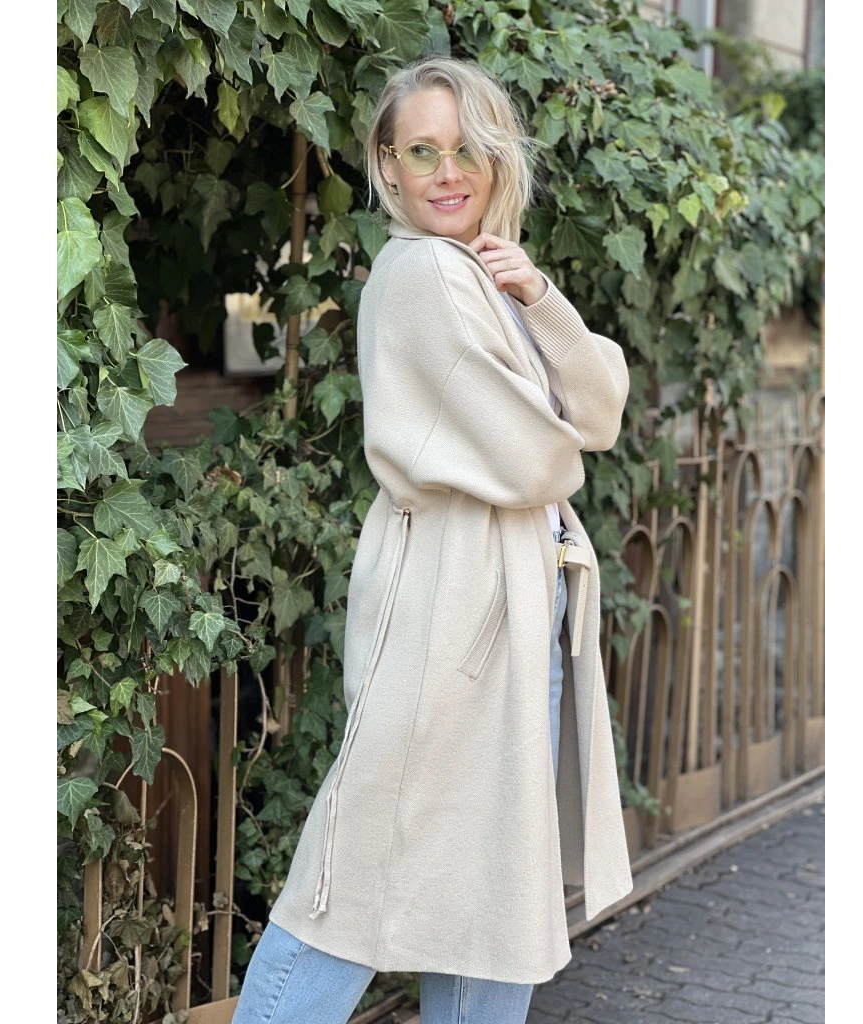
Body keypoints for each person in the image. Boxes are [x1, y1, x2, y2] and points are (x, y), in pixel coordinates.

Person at [232, 56, 633, 1024]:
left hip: (506, 600)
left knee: (491, 882)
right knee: (358, 873)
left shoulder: (488, 276)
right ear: (387, 164)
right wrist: (555, 427)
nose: (448, 172)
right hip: (451, 602)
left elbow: (599, 411)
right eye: (422, 151)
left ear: (496, 158)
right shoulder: (425, 274)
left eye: (467, 149)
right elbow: (544, 456)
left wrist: (539, 298)